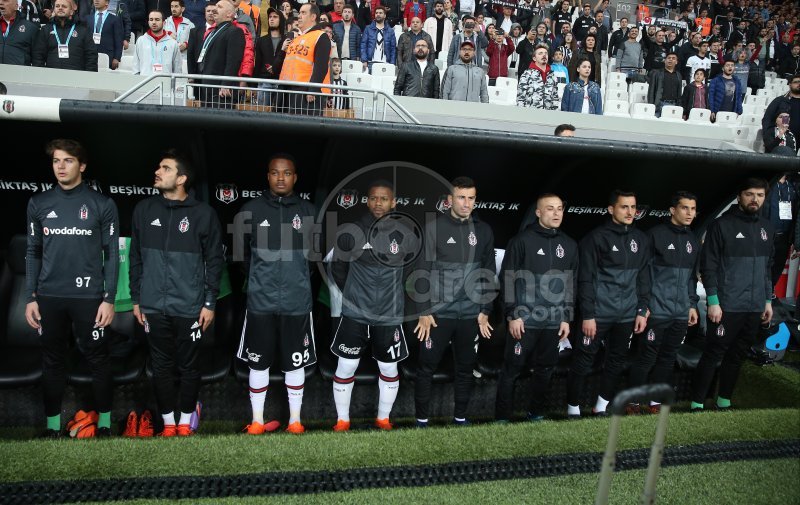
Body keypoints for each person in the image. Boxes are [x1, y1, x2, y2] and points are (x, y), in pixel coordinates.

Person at [26, 139, 119, 438]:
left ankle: (104, 423)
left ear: (82, 165)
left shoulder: (101, 204)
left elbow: (113, 255)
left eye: (67, 161)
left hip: (89, 298)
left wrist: (109, 298)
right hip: (49, 297)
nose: (61, 167)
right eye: (56, 161)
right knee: (51, 360)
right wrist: (31, 297)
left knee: (98, 359)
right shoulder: (39, 203)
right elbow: (33, 252)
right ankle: (52, 427)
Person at [129, 150, 223, 437]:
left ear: (181, 178)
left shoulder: (203, 214)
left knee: (189, 366)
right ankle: (168, 423)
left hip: (190, 306)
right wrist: (136, 298)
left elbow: (215, 261)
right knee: (161, 366)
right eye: (159, 167)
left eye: (166, 168)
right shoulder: (144, 210)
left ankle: (185, 421)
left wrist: (209, 302)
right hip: (153, 305)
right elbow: (135, 258)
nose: (158, 171)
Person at [235, 153, 318, 435]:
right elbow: (241, 256)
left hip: (297, 302)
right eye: (274, 172)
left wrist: (296, 280)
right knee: (258, 360)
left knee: (295, 360)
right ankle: (257, 420)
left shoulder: (310, 211)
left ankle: (295, 420)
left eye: (286, 173)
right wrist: (262, 279)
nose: (280, 178)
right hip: (261, 301)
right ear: (267, 176)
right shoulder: (250, 210)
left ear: (295, 177)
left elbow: (316, 260)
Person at [329, 180, 418, 432]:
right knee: (346, 365)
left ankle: (383, 419)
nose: (378, 203)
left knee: (389, 367)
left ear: (393, 202)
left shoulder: (405, 235)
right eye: (373, 199)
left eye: (384, 199)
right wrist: (355, 295)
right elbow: (338, 270)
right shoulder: (351, 231)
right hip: (355, 312)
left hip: (389, 315)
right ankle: (342, 420)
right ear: (367, 201)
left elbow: (410, 274)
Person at [413, 177, 495, 427]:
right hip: (438, 315)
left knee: (465, 368)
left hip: (470, 315)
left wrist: (485, 309)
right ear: (449, 200)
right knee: (426, 367)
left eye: (471, 198)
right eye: (461, 197)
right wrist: (423, 310)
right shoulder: (433, 227)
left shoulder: (483, 230)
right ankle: (421, 421)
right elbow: (420, 271)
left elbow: (489, 272)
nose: (466, 203)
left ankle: (460, 418)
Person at [691, 178, 773, 413]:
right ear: (739, 196)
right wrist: (714, 302)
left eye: (759, 195)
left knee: (737, 355)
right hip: (726, 306)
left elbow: (767, 268)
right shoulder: (721, 226)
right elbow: (708, 267)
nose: (754, 199)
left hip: (755, 306)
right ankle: (697, 403)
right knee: (713, 354)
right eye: (749, 194)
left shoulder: (767, 227)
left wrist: (767, 300)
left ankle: (723, 401)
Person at [566, 190, 650, 418]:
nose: (630, 212)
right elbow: (585, 279)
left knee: (616, 361)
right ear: (611, 209)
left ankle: (601, 407)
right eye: (624, 207)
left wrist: (642, 309)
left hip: (626, 315)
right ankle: (572, 409)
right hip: (598, 315)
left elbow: (643, 277)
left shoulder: (640, 239)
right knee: (583, 361)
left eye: (633, 207)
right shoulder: (595, 238)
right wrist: (589, 314)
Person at [495, 193, 577, 422]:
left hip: (552, 321)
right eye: (550, 208)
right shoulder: (521, 241)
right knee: (512, 370)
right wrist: (513, 315)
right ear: (539, 212)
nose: (556, 213)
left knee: (545, 370)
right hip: (525, 320)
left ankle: (536, 413)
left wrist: (566, 317)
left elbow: (571, 282)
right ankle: (502, 418)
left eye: (559, 208)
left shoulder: (569, 245)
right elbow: (507, 279)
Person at [626, 192, 700, 415]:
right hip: (656, 311)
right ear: (672, 210)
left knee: (667, 360)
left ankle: (655, 403)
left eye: (693, 209)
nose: (689, 213)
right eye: (685, 208)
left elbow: (691, 278)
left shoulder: (693, 240)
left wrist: (692, 304)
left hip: (679, 312)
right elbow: (643, 274)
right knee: (646, 359)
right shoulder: (654, 235)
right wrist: (644, 305)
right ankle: (633, 403)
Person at [278, 3, 331, 114]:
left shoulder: (321, 36)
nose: (299, 16)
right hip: (286, 90)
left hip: (305, 91)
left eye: (303, 13)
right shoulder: (295, 38)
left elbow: (321, 66)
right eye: (299, 12)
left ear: (313, 17)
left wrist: (313, 89)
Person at [194, 0, 245, 108]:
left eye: (219, 7)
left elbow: (233, 61)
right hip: (207, 88)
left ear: (229, 14)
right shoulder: (213, 32)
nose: (214, 10)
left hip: (221, 91)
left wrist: (226, 84)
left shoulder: (235, 31)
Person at [32, 0, 98, 71]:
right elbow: (38, 56)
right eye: (57, 6)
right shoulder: (46, 30)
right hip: (51, 77)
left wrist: (88, 77)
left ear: (71, 11)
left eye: (64, 6)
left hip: (77, 77)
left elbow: (91, 56)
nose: (60, 8)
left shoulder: (83, 31)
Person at [253, 7, 287, 106]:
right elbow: (257, 62)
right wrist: (254, 86)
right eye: (270, 17)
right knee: (262, 116)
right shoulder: (261, 40)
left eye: (275, 17)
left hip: (281, 82)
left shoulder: (287, 40)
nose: (271, 19)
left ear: (281, 20)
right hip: (264, 82)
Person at [132, 10, 183, 74]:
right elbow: (135, 67)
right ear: (148, 22)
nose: (154, 22)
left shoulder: (173, 43)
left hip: (165, 82)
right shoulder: (141, 41)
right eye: (151, 19)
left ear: (164, 23)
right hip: (145, 82)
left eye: (157, 19)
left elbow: (177, 70)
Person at [762, 74, 800, 151]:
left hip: (796, 141)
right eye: (796, 82)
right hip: (779, 139)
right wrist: (768, 137)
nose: (799, 84)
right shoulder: (780, 100)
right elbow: (767, 119)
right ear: (790, 84)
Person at [517, 43, 558, 109]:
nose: (544, 55)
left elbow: (555, 99)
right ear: (534, 58)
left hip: (547, 116)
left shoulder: (552, 76)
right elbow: (520, 98)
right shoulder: (527, 74)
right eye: (540, 53)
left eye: (546, 53)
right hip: (530, 115)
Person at [85, 0, 124, 69]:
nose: (96, 1)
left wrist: (117, 58)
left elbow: (118, 40)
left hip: (108, 56)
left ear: (107, 2)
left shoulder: (114, 19)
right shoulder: (88, 18)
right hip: (90, 56)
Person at [0, 0, 39, 65]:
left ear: (16, 6)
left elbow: (37, 58)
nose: (1, 3)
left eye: (5, 0)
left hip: (19, 73)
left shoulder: (30, 28)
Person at [360, 5, 396, 71]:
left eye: (380, 13)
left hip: (386, 63)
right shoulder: (368, 28)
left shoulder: (390, 31)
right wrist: (364, 60)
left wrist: (392, 63)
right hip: (371, 63)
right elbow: (363, 45)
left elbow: (393, 48)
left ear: (385, 15)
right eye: (376, 13)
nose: (378, 14)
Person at [647, 52, 683, 117]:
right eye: (668, 58)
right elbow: (651, 91)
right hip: (659, 104)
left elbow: (679, 92)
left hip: (674, 105)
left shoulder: (679, 75)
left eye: (673, 58)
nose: (670, 60)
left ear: (676, 62)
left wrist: (679, 106)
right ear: (665, 61)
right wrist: (651, 106)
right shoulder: (656, 73)